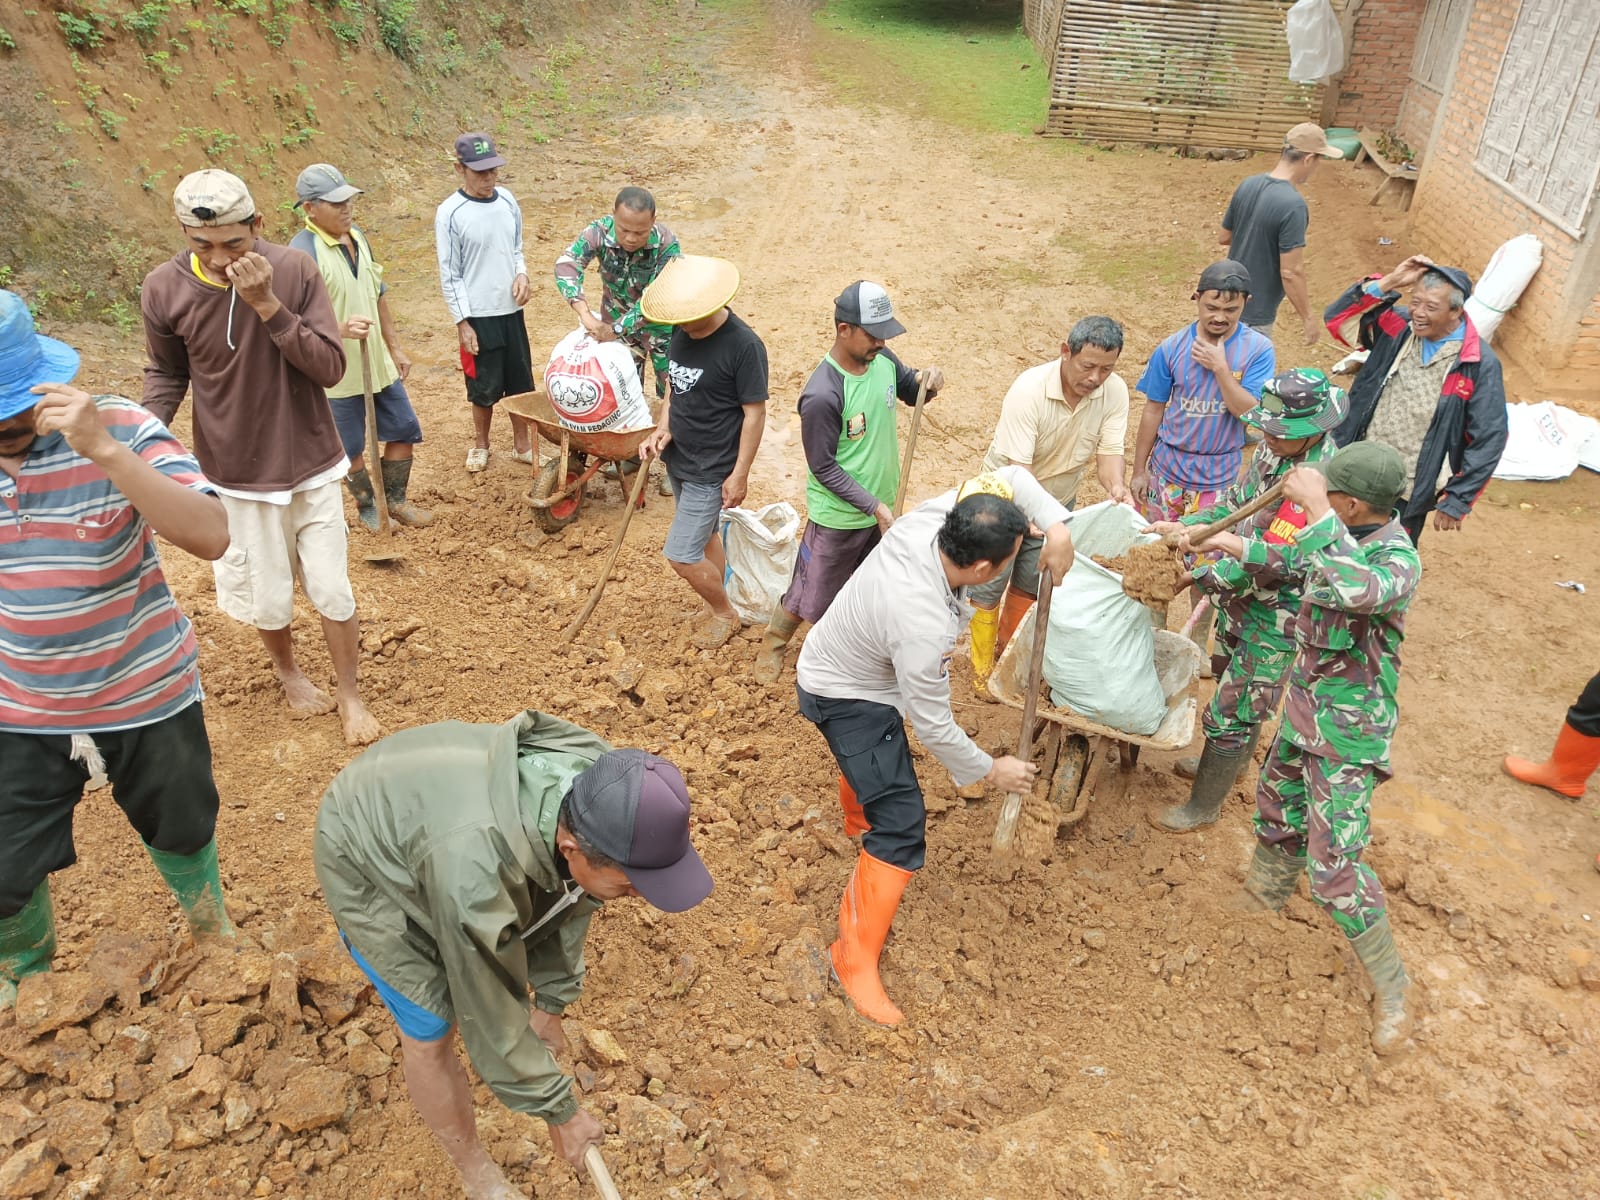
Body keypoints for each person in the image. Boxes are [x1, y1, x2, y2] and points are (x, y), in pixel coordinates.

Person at [313, 711, 712, 1199]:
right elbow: (486, 1004)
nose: (639, 897)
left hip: (431, 806)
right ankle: (475, 1172)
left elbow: (572, 895)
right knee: (433, 1021)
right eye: (630, 886)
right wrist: (560, 1112)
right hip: (361, 844)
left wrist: (551, 1003)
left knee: (501, 916)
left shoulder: (611, 790)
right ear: (571, 846)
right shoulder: (474, 877)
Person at [0, 291, 235, 1006]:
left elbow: (210, 534)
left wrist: (103, 451)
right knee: (5, 861)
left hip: (146, 690)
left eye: (12, 409)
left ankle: (213, 935)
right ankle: (25, 981)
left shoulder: (121, 427)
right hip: (18, 707)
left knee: (182, 823)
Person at [795, 467, 1074, 1026]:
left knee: (875, 759)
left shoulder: (933, 520)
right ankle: (851, 959)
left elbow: (1011, 476)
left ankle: (857, 822)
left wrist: (1058, 528)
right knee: (902, 822)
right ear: (983, 570)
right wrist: (991, 769)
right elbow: (934, 726)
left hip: (849, 664)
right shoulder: (920, 621)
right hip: (843, 695)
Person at [1184, 442, 1420, 1055]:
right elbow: (1291, 562)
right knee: (1279, 809)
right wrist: (1225, 543)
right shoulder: (1337, 533)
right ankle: (1263, 899)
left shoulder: (1394, 559)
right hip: (1305, 713)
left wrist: (1315, 510)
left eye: (1328, 494)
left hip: (1347, 735)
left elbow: (1356, 589)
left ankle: (1393, 990)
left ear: (1350, 504)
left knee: (1335, 865)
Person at [141, 169, 382, 746]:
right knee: (266, 596)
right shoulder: (164, 288)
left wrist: (268, 305)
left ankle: (350, 694)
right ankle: (289, 673)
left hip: (311, 461)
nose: (221, 259)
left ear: (258, 225)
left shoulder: (294, 270)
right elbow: (167, 373)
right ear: (183, 234)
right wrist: (141, 437)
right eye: (203, 245)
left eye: (234, 243)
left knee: (332, 588)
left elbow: (329, 367)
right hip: (234, 472)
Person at [1149, 368, 1345, 831]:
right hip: (1241, 602)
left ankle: (1203, 807)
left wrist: (1197, 575)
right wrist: (1187, 525)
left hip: (1278, 614)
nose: (1267, 437)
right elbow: (1236, 505)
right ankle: (1232, 763)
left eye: (1280, 432)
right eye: (1267, 428)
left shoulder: (1317, 483)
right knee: (1235, 683)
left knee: (1234, 708)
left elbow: (1279, 561)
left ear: (1313, 430)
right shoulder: (1274, 453)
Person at [753, 281, 944, 684]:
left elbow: (912, 392)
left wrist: (928, 384)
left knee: (871, 586)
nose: (881, 342)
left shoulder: (883, 360)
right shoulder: (823, 394)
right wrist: (873, 506)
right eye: (873, 334)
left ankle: (858, 653)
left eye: (885, 334)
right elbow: (823, 467)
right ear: (844, 330)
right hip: (840, 516)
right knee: (813, 589)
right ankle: (775, 641)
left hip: (882, 509)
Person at [968, 315, 1131, 692]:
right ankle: (980, 670)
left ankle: (1009, 660)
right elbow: (1019, 472)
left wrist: (1117, 486)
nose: (1096, 378)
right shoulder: (1029, 390)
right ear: (1065, 352)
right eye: (1088, 366)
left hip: (1058, 501)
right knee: (989, 581)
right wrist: (1035, 517)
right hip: (1003, 497)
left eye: (1106, 369)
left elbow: (1109, 453)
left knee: (1034, 581)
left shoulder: (1115, 392)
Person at [1325, 254, 1508, 544]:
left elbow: (1489, 436)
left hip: (1408, 487)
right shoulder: (1398, 327)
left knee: (1385, 559)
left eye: (1431, 307)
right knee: (1326, 545)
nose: (1419, 313)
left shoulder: (1477, 363)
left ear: (1456, 311)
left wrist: (1458, 498)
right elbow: (1338, 320)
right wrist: (1392, 280)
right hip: (1355, 467)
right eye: (1415, 302)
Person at [290, 162, 431, 531]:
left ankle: (395, 500)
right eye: (336, 204)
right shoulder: (302, 253)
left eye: (348, 201)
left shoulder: (359, 237)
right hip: (336, 372)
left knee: (403, 428)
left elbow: (377, 294)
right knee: (349, 447)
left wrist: (395, 348)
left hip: (377, 362)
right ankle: (368, 507)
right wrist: (339, 328)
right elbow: (290, 322)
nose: (346, 209)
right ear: (310, 208)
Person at [637, 255, 769, 649]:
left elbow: (754, 413)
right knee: (707, 535)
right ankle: (718, 601)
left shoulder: (744, 346)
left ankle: (725, 613)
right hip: (681, 457)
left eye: (688, 319)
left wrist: (740, 473)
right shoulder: (682, 330)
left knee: (681, 554)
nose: (682, 326)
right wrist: (663, 428)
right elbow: (674, 386)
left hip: (711, 467)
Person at [1133, 260, 1277, 525]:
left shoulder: (1259, 351)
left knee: (1203, 548)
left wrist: (1220, 369)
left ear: (1246, 302)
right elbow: (1153, 409)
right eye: (1212, 307)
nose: (1220, 317)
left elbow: (1251, 414)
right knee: (1153, 541)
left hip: (1218, 480)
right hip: (1166, 473)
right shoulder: (1171, 348)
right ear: (1196, 298)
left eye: (1231, 310)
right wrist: (1139, 471)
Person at [435, 132, 536, 473]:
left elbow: (516, 248)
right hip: (478, 315)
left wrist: (522, 274)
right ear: (459, 169)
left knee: (520, 382)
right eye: (479, 172)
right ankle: (481, 444)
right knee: (482, 386)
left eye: (493, 170)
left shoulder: (507, 200)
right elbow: (450, 273)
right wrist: (462, 322)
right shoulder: (450, 213)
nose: (488, 178)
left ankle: (522, 445)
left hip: (511, 310)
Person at [1220, 123, 1343, 344]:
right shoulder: (1293, 205)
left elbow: (1225, 237)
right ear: (1308, 159)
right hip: (1254, 313)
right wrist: (1308, 318)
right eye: (1319, 160)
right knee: (1246, 366)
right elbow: (1290, 272)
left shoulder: (1248, 184)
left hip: (1226, 299)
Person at [554, 186, 680, 400]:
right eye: (624, 230)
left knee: (673, 395)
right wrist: (584, 313)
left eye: (639, 233)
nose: (630, 238)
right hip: (617, 331)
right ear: (614, 215)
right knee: (624, 395)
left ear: (653, 221)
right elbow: (567, 265)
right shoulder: (599, 232)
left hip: (662, 330)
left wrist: (617, 328)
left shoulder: (666, 245)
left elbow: (657, 297)